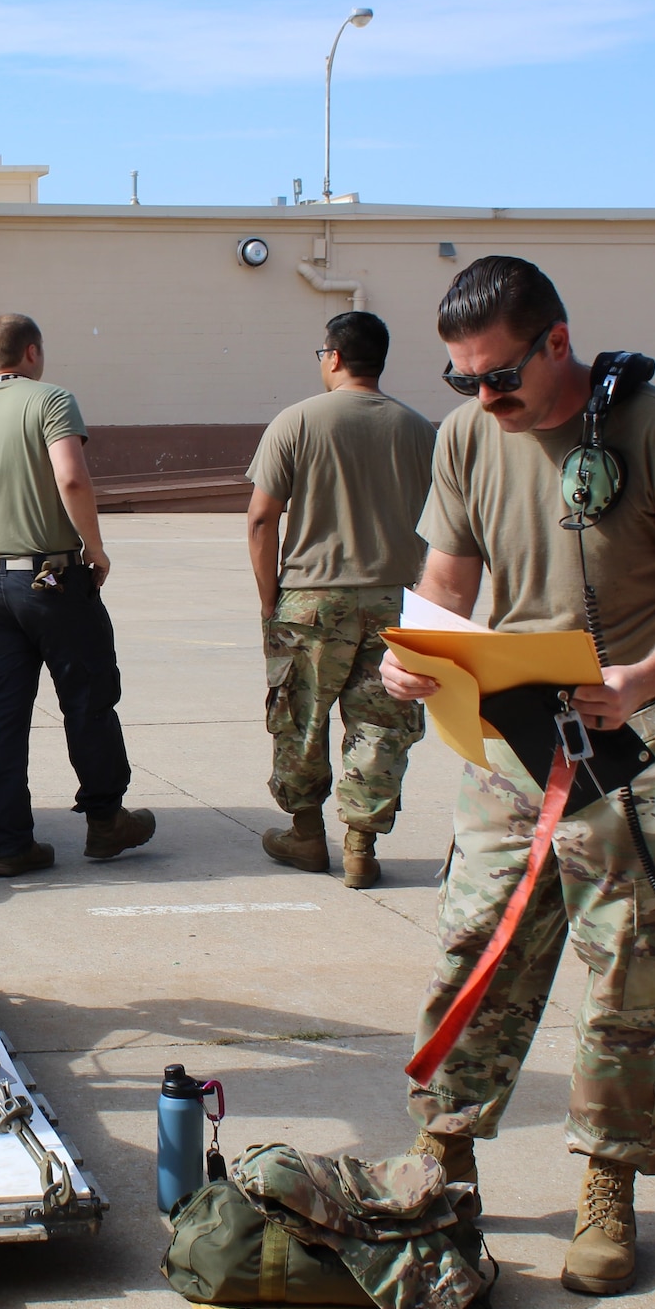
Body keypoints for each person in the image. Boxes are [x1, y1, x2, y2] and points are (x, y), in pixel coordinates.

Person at [381, 256, 655, 1296]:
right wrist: (418, 654)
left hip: (635, 744)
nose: (482, 399)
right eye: (460, 381)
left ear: (556, 342)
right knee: (474, 952)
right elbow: (446, 583)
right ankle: (443, 1155)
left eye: (497, 377)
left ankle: (606, 1184)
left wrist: (638, 680)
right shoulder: (462, 441)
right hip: (510, 744)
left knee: (628, 976)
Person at [0, 312, 155, 876]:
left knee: (4, 715)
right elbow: (71, 477)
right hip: (52, 579)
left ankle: (10, 844)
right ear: (31, 352)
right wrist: (95, 548)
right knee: (88, 699)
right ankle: (104, 822)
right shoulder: (52, 401)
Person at [246, 311, 434, 887]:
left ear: (332, 356)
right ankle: (360, 845)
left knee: (301, 720)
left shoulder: (297, 420)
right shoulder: (420, 429)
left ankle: (306, 834)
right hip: (393, 602)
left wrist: (269, 601)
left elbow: (261, 520)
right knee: (381, 722)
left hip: (311, 597)